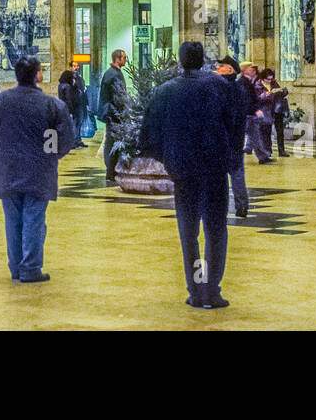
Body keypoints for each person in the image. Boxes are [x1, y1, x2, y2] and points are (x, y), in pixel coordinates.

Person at [140, 41, 240, 310]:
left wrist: (169, 158)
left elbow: (148, 134)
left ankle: (196, 290)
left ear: (181, 61)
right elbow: (235, 125)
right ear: (203, 59)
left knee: (189, 233)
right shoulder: (220, 87)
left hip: (183, 172)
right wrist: (230, 158)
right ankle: (212, 290)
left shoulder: (164, 92)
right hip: (215, 169)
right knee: (216, 229)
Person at [0, 55, 76, 283]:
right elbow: (65, 139)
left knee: (12, 220)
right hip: (38, 171)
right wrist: (51, 155)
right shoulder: (52, 105)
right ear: (38, 75)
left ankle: (16, 268)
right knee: (34, 219)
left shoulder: (1, 100)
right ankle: (30, 267)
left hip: (7, 171)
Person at [216, 56, 250, 219]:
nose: (216, 69)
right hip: (235, 139)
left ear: (229, 70)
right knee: (237, 174)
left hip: (223, 140)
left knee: (220, 176)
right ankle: (241, 206)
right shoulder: (238, 88)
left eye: (220, 66)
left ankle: (221, 207)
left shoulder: (222, 89)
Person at [98, 49, 129, 182]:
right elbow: (117, 95)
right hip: (113, 113)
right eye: (124, 57)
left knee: (111, 141)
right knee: (112, 142)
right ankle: (111, 172)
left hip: (112, 112)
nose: (125, 60)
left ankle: (111, 171)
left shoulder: (111, 73)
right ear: (118, 59)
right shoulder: (114, 75)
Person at [57, 69, 84, 149]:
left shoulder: (60, 85)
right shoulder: (68, 86)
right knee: (73, 126)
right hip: (71, 108)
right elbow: (69, 99)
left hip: (64, 108)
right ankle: (73, 143)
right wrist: (71, 110)